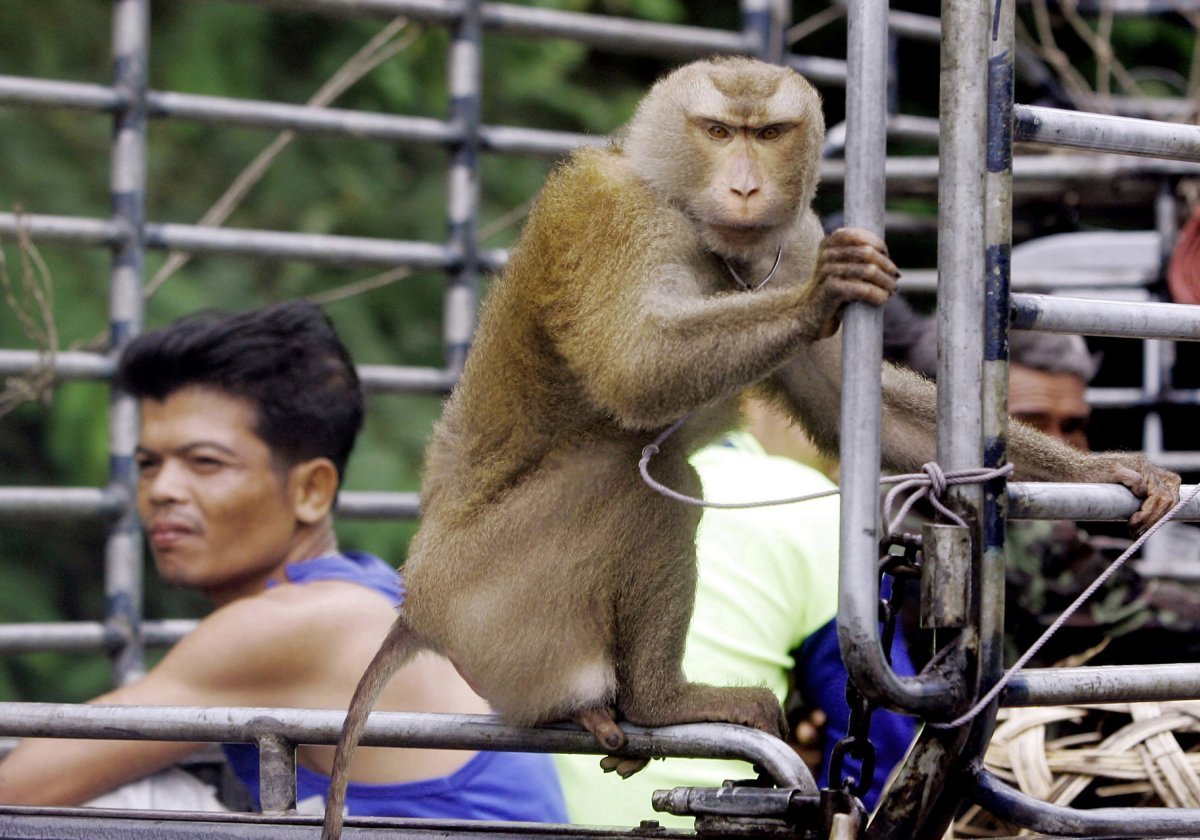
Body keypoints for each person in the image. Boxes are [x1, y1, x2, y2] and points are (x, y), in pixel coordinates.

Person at [0, 301, 567, 822]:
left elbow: (14, 792)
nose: (162, 489)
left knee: (131, 801)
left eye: (204, 462)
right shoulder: (362, 588)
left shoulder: (298, 623)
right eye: (149, 464)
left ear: (312, 491)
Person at [553, 397, 917, 827]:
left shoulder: (595, 488)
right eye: (833, 421)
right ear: (760, 397)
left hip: (539, 812)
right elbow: (877, 735)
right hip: (714, 821)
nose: (843, 458)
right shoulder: (813, 502)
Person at [883, 295, 1200, 667]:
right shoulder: (902, 517)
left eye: (1074, 426)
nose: (1060, 450)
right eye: (1028, 429)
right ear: (942, 425)